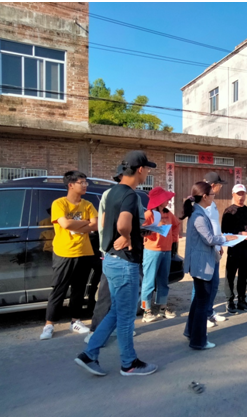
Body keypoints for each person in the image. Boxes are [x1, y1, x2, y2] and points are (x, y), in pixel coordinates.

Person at [75, 150, 157, 376]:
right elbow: (122, 224)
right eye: (147, 169)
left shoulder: (111, 192)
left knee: (116, 312)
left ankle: (89, 354)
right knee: (126, 317)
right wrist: (127, 235)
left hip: (110, 260)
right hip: (124, 263)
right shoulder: (130, 195)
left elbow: (106, 222)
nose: (147, 173)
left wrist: (131, 232)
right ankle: (129, 364)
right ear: (140, 170)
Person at [85, 165, 143, 343]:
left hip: (112, 251)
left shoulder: (114, 194)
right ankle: (96, 333)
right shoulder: (125, 195)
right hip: (120, 253)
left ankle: (95, 344)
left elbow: (134, 220)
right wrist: (126, 236)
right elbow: (117, 223)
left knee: (116, 300)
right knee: (111, 298)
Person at [40, 171, 98, 340]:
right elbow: (65, 224)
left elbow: (95, 225)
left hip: (84, 251)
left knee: (79, 289)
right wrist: (86, 223)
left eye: (86, 182)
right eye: (82, 182)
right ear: (71, 185)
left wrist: (77, 224)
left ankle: (75, 321)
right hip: (64, 251)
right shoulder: (59, 203)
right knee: (59, 288)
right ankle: (49, 324)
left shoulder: (87, 204)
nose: (85, 185)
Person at [181, 181, 237, 350]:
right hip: (201, 264)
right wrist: (226, 238)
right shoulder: (198, 216)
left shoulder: (199, 212)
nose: (214, 197)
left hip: (202, 262)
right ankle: (199, 341)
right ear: (205, 196)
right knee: (202, 304)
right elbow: (209, 239)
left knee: (198, 301)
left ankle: (191, 332)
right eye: (212, 195)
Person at [140, 186, 180, 322]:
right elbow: (142, 230)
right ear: (159, 200)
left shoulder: (168, 214)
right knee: (149, 282)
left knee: (163, 281)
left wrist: (173, 240)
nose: (168, 200)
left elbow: (176, 225)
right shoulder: (149, 214)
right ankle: (146, 310)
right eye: (166, 198)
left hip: (166, 251)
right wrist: (153, 232)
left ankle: (162, 308)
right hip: (152, 251)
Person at [221, 184, 247, 313]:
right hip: (234, 247)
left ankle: (242, 300)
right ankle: (230, 301)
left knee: (243, 275)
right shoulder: (229, 211)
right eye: (238, 194)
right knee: (230, 275)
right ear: (233, 195)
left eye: (243, 194)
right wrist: (240, 233)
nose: (241, 197)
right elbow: (225, 230)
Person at [203, 172, 227, 327]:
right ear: (213, 185)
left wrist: (219, 245)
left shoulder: (212, 202)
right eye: (219, 185)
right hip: (206, 250)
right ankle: (200, 316)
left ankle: (209, 311)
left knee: (214, 284)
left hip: (215, 247)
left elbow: (214, 225)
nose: (220, 187)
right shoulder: (202, 204)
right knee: (203, 286)